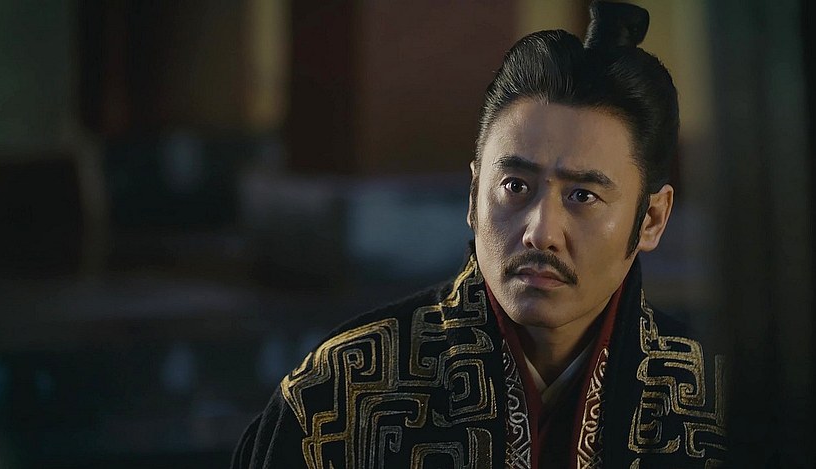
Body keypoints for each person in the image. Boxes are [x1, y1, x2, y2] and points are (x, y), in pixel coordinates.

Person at [232, 2, 726, 467]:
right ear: (473, 196)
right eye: (515, 186)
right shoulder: (336, 396)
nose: (540, 233)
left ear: (652, 219)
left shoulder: (719, 403)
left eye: (582, 196)